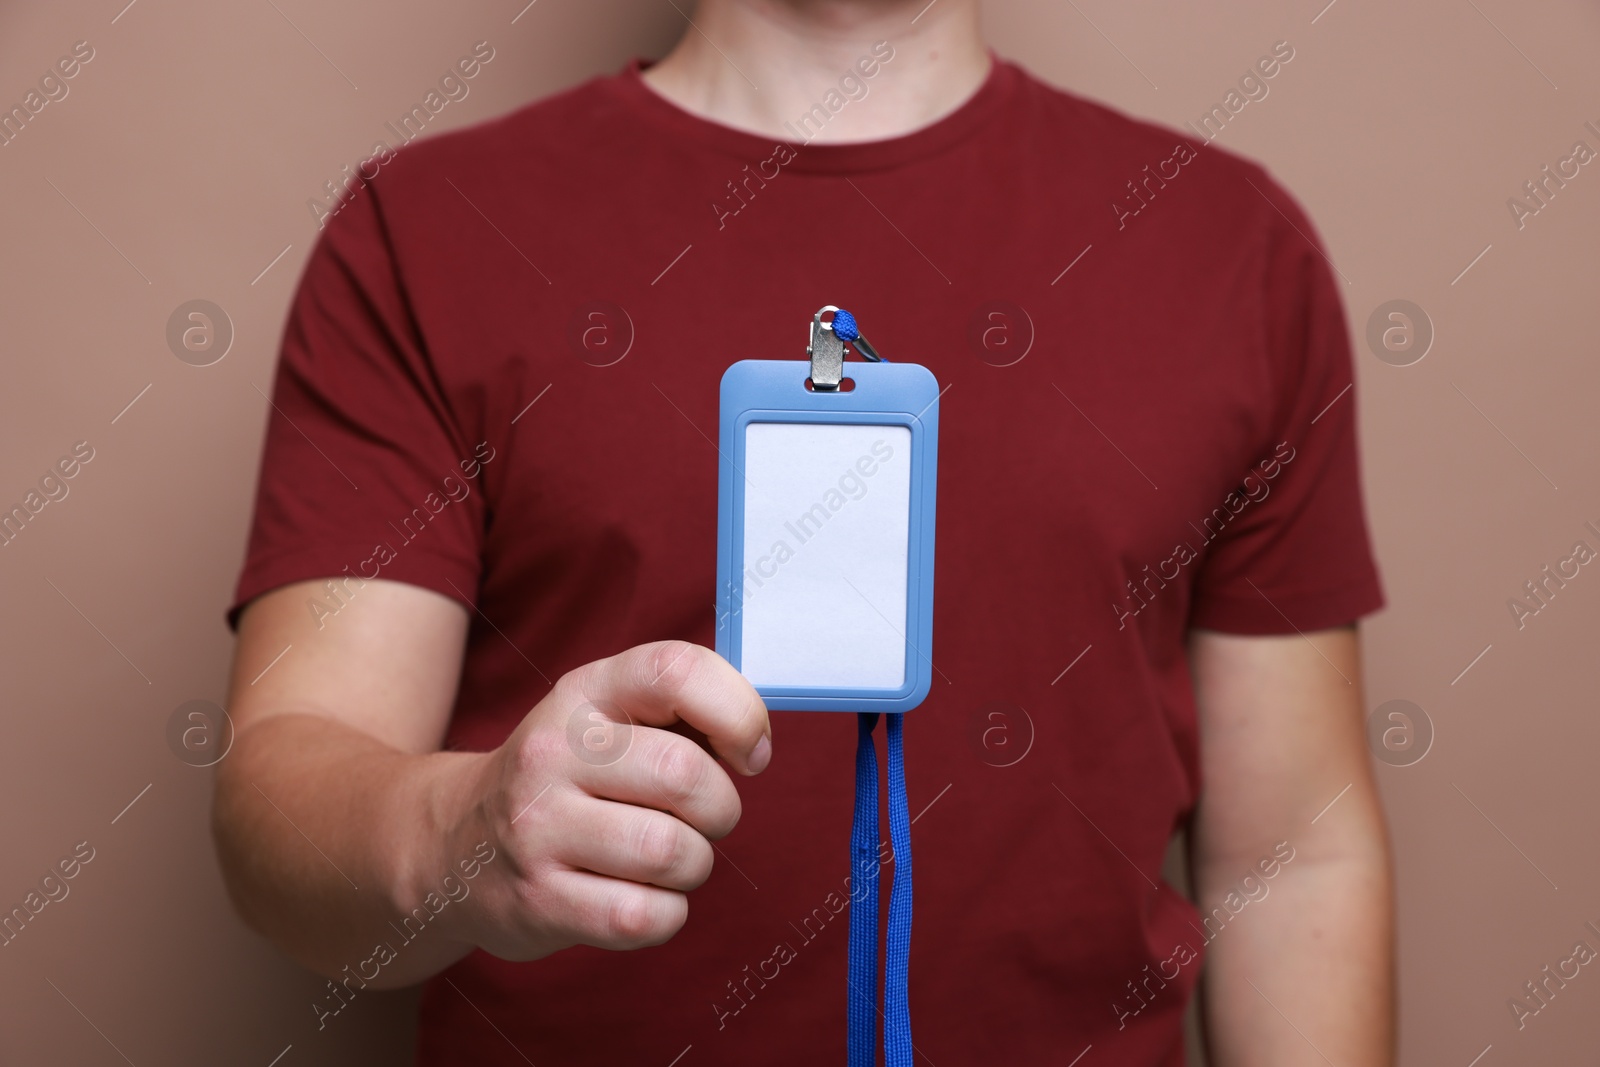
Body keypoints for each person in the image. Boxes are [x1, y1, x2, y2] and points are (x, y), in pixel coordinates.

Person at [213, 1, 1396, 1063]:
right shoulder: (424, 232)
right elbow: (285, 793)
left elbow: (1295, 858)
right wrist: (459, 836)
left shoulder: (1230, 249)